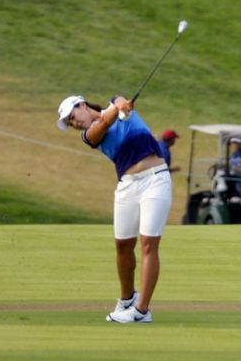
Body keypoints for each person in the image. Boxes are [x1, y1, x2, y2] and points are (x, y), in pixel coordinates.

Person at [56, 94, 171, 323]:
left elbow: (120, 101)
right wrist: (118, 109)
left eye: (73, 116)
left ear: (82, 105)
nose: (74, 122)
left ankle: (141, 311)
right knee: (123, 246)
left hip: (156, 179)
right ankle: (127, 299)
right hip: (127, 185)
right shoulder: (88, 135)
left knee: (149, 243)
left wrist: (122, 106)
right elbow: (106, 122)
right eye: (69, 122)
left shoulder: (115, 103)